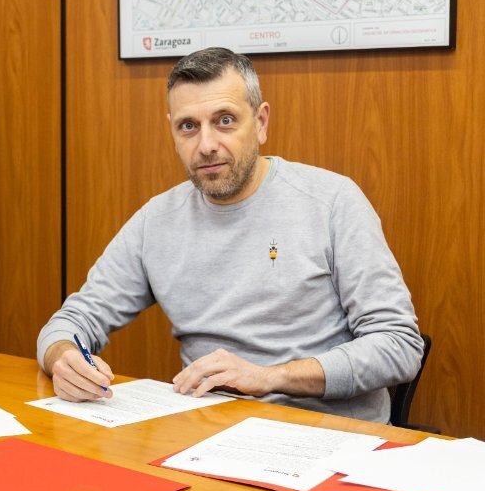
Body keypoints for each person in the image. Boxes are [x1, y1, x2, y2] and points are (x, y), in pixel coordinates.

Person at [37, 47, 422, 423]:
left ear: (261, 122)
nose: (206, 145)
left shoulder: (332, 201)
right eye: (188, 126)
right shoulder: (157, 220)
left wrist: (268, 377)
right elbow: (74, 319)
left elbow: (399, 345)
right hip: (207, 434)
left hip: (327, 433)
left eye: (224, 120)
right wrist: (63, 357)